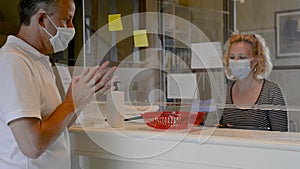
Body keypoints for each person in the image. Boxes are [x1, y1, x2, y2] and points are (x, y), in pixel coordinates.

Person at [0, 0, 116, 168]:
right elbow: (32, 146)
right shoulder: (14, 61)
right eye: (65, 20)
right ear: (41, 20)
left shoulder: (37, 60)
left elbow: (55, 125)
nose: (71, 28)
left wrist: (83, 98)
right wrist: (71, 102)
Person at [219, 33, 288, 131]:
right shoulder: (223, 93)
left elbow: (281, 136)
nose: (236, 61)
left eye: (242, 57)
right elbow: (215, 131)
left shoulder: (271, 92)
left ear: (256, 60)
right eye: (232, 57)